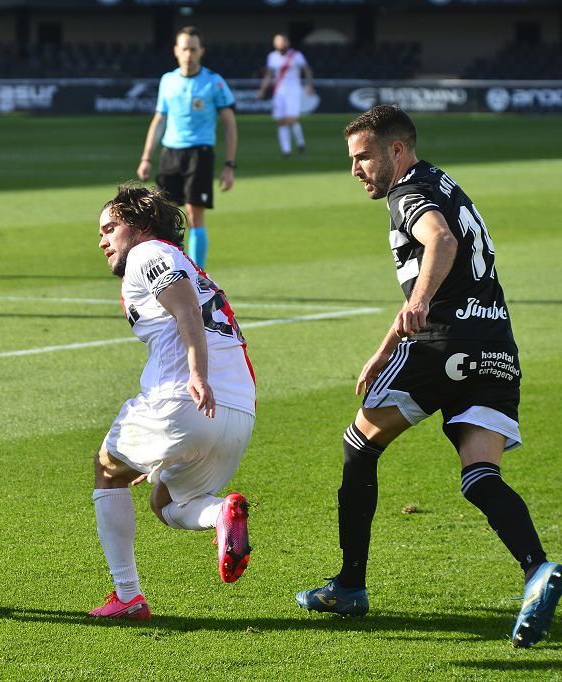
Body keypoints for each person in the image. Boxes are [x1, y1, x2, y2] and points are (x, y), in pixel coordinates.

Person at [295, 104, 560, 648]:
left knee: (358, 446)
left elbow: (441, 242)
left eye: (363, 157)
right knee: (479, 475)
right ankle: (538, 569)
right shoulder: (444, 182)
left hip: (443, 343)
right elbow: (446, 267)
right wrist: (384, 346)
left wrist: (415, 310)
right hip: (496, 344)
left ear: (397, 150)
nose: (356, 170)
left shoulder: (408, 192)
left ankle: (349, 585)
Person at [90, 184, 256, 621]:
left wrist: (197, 376)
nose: (103, 239)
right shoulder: (184, 263)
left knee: (107, 469)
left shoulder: (148, 254)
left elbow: (185, 310)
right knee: (166, 504)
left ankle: (127, 596)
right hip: (238, 412)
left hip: (188, 398)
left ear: (141, 225)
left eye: (111, 228)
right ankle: (222, 513)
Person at [137, 26, 237, 270]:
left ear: (201, 51)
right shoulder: (168, 80)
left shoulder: (214, 82)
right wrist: (146, 157)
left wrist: (229, 165)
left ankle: (196, 274)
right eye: (184, 49)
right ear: (176, 51)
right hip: (170, 153)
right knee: (163, 217)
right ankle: (171, 269)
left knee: (194, 216)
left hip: (199, 154)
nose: (188, 54)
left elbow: (230, 125)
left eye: (193, 49)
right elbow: (159, 120)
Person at [257, 34, 314, 158]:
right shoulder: (272, 57)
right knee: (281, 122)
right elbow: (269, 75)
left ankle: (300, 143)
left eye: (282, 42)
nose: (280, 44)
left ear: (287, 42)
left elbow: (307, 70)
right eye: (277, 42)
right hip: (279, 93)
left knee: (291, 120)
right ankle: (286, 151)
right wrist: (262, 89)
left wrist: (309, 85)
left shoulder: (296, 55)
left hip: (293, 92)